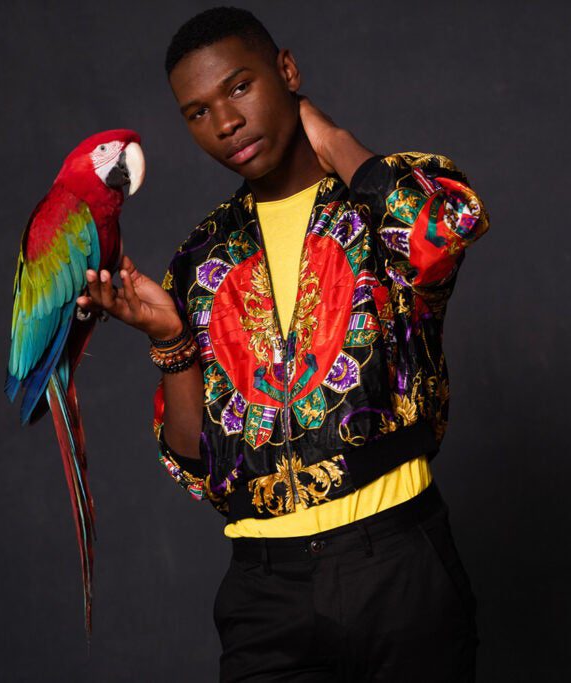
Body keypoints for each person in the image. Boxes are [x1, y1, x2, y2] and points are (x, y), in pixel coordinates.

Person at [77, 6, 490, 681]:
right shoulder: (202, 258)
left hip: (398, 568)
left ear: (287, 70)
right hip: (267, 594)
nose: (225, 122)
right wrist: (173, 341)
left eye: (239, 87)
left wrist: (340, 144)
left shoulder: (380, 199)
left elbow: (441, 235)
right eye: (197, 111)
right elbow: (200, 464)